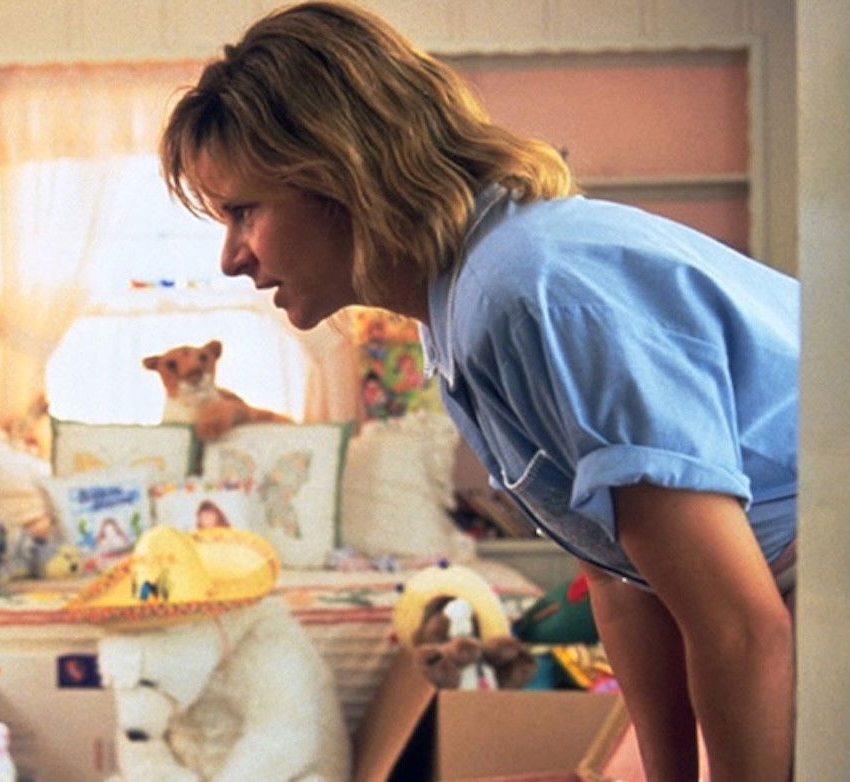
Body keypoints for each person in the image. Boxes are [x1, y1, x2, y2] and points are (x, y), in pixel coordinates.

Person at [159, 4, 798, 781]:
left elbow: (738, 628)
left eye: (242, 212)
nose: (231, 258)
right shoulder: (458, 310)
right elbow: (622, 576)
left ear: (339, 173)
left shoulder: (528, 288)